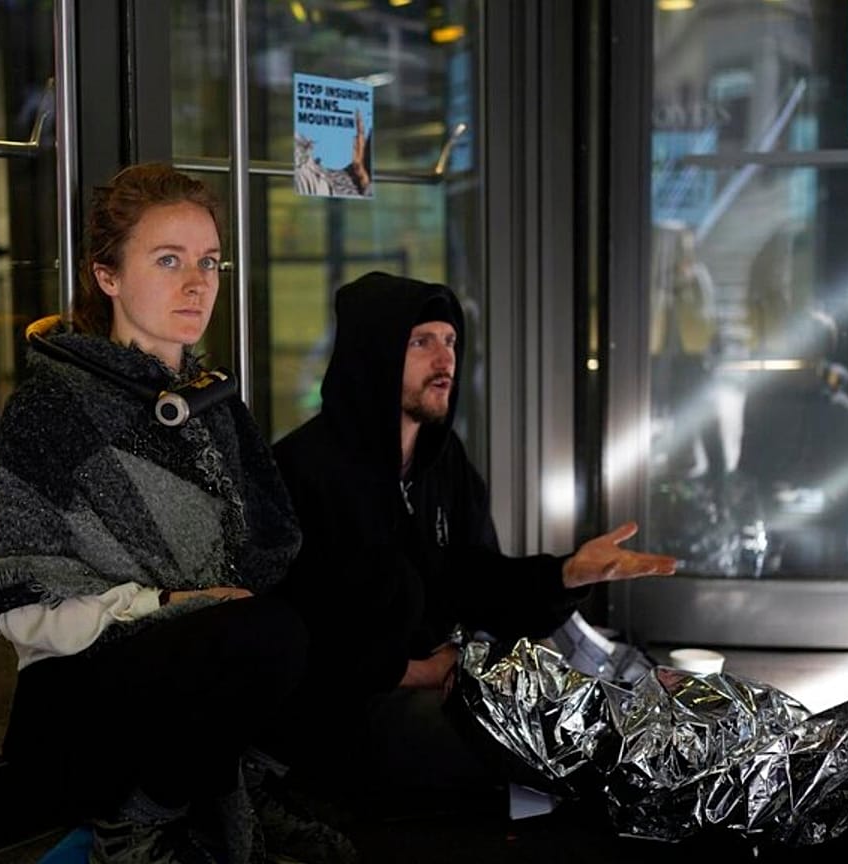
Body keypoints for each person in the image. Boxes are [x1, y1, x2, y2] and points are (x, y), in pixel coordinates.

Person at [0, 163, 312, 864]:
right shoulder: (53, 407)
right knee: (263, 634)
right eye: (168, 260)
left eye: (209, 262)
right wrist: (172, 602)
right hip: (78, 703)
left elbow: (270, 542)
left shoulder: (209, 401)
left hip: (190, 663)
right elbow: (22, 606)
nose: (197, 283)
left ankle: (245, 794)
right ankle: (136, 827)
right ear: (108, 276)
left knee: (331, 599)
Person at [267, 271, 678, 808]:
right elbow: (300, 631)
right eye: (421, 343)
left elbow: (478, 581)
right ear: (373, 355)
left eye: (451, 342)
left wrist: (567, 573)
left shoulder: (443, 461)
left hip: (448, 685)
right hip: (349, 715)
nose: (445, 361)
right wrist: (416, 671)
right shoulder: (304, 469)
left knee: (613, 720)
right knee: (562, 750)